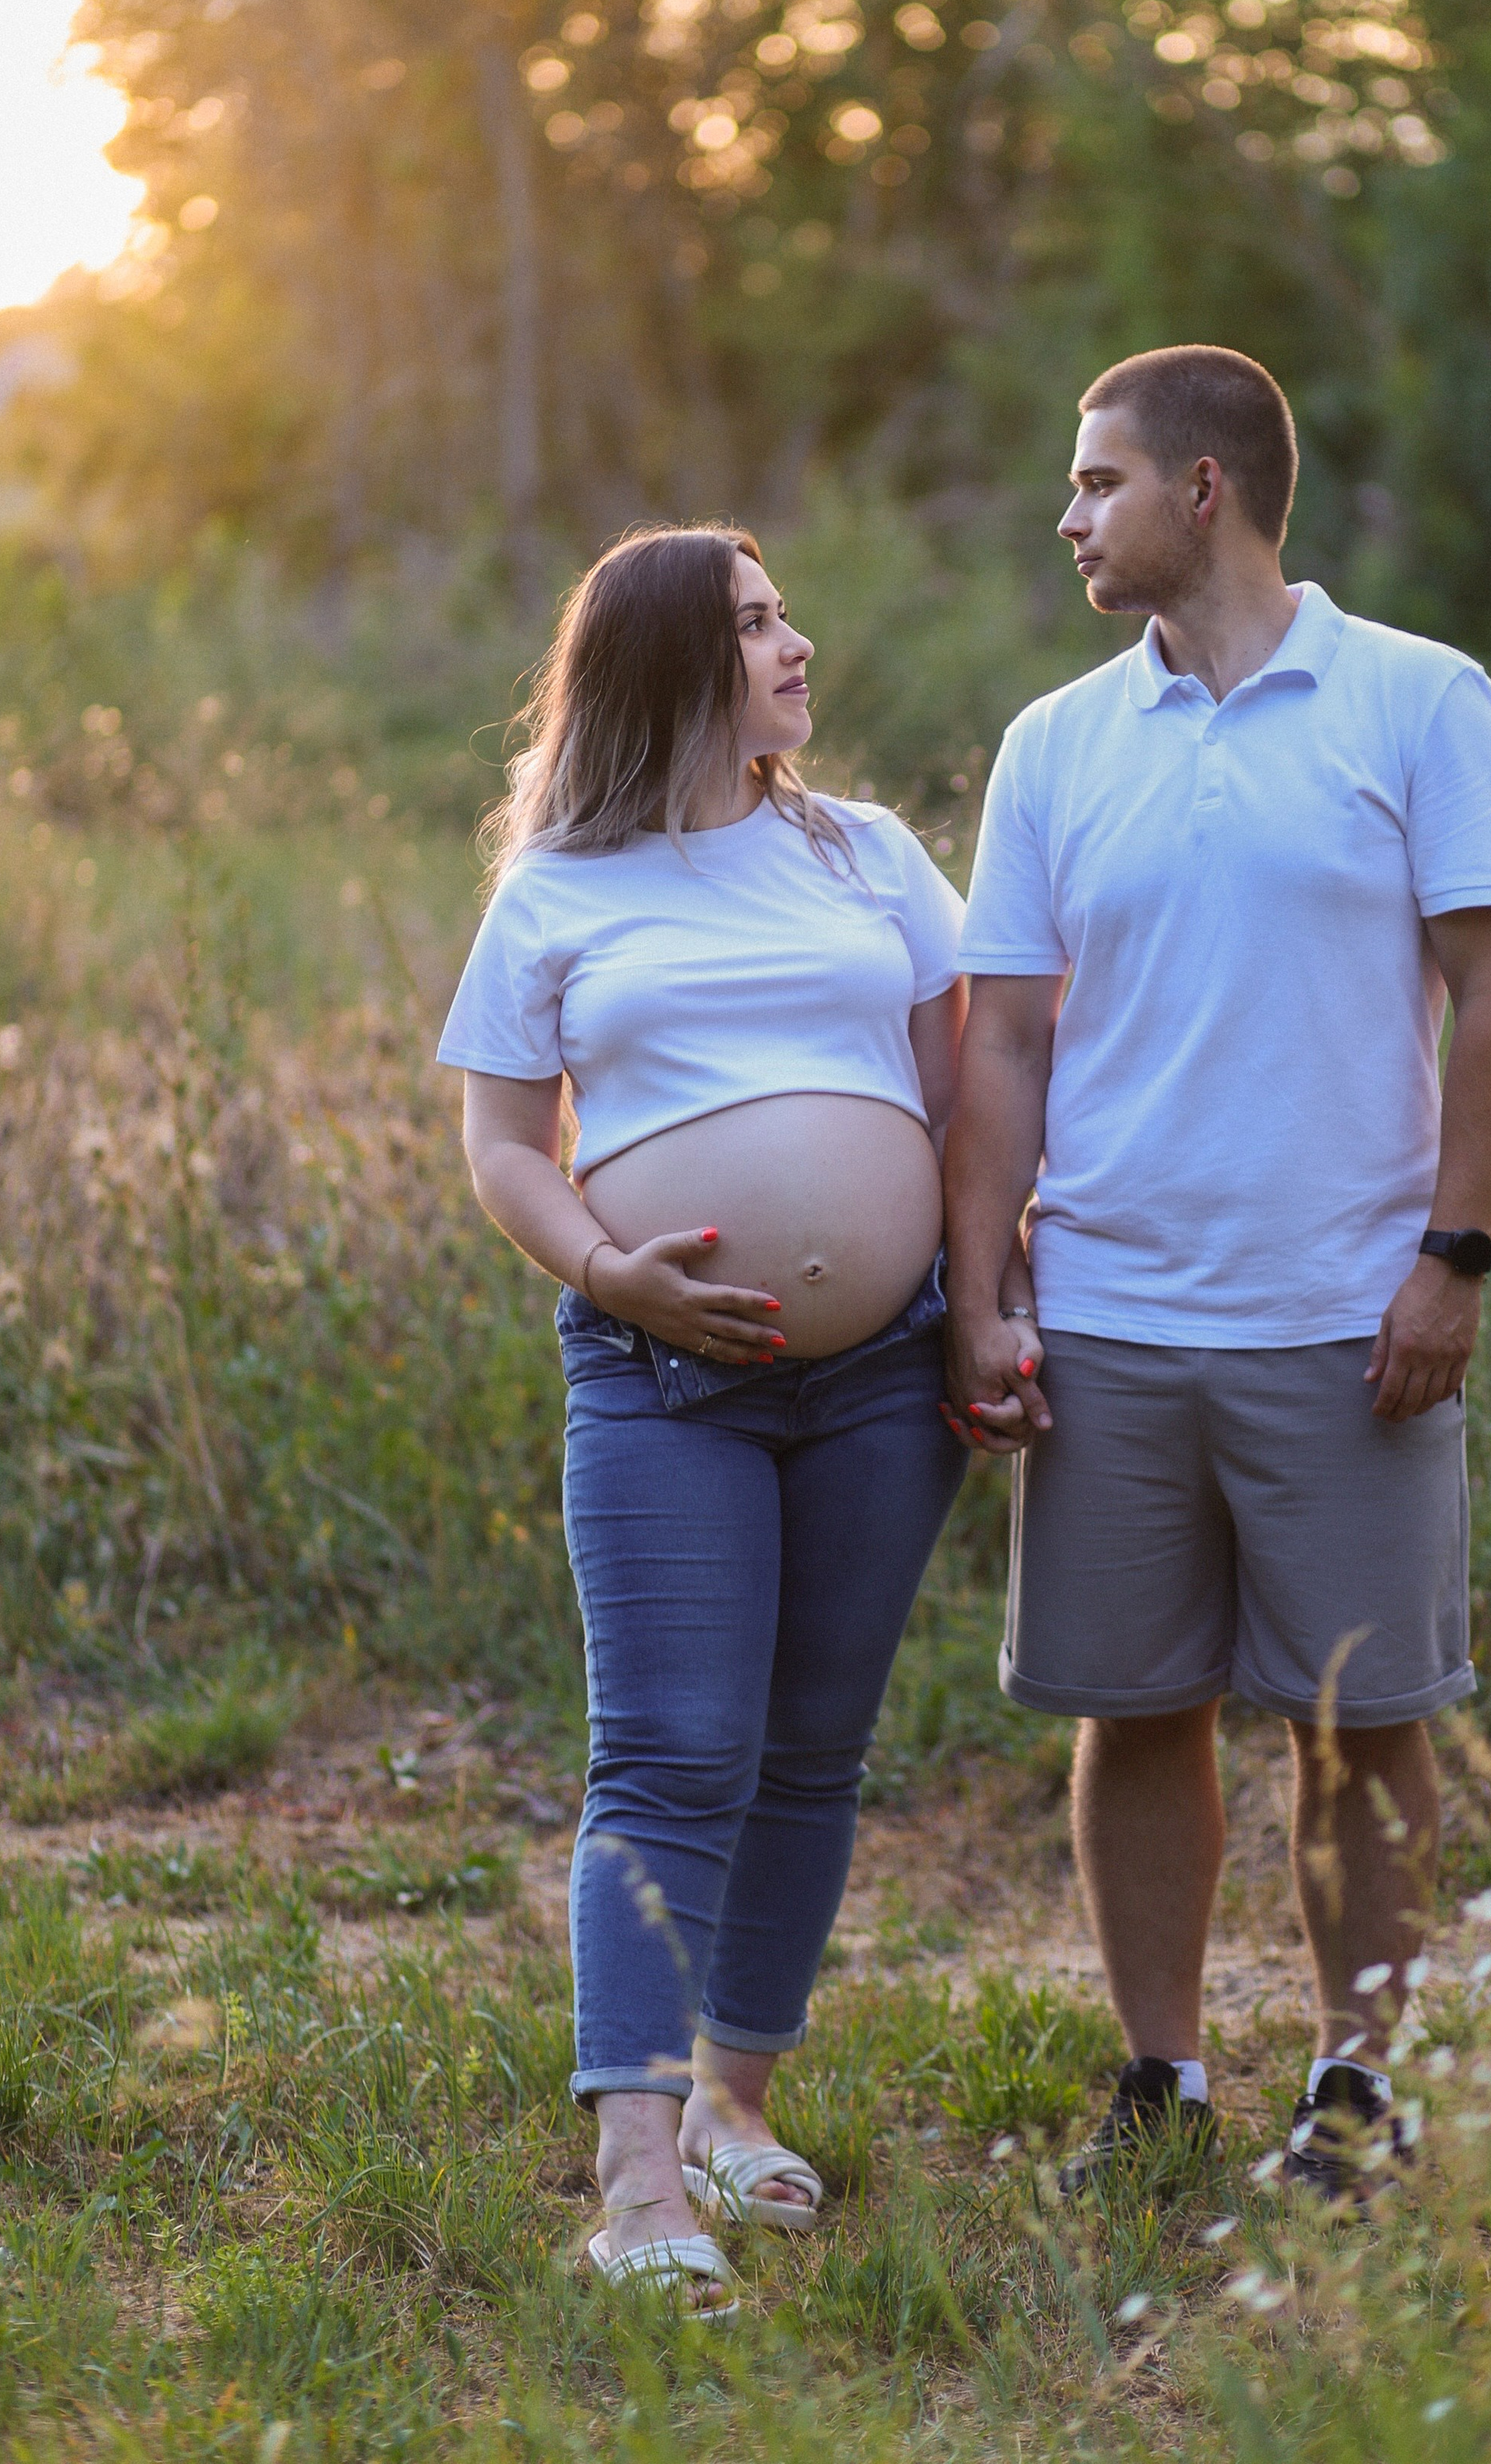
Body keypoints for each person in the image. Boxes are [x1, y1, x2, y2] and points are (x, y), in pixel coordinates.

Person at [943, 345, 1491, 2206]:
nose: (1069, 518)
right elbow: (1006, 1047)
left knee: (1362, 1721)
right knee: (1136, 1708)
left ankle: (1356, 2086)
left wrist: (1448, 1260)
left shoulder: (1418, 702)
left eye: (1097, 482)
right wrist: (984, 1295)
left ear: (1201, 492)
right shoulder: (1053, 743)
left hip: (1342, 1322)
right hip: (1112, 1319)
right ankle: (1162, 2076)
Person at [438, 524, 978, 2318]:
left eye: (785, 612)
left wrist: (985, 1309)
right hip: (660, 1372)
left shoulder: (871, 857)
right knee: (669, 1753)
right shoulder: (558, 891)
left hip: (884, 1367)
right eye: (755, 625)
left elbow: (965, 1099)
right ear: (672, 664)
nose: (798, 644)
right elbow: (506, 1146)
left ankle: (737, 2103)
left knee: (812, 1747)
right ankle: (635, 2174)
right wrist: (610, 1269)